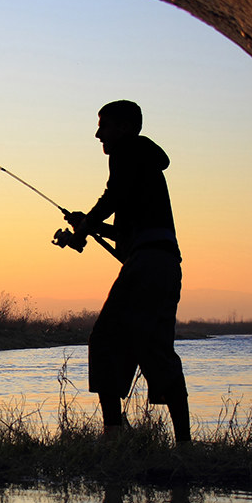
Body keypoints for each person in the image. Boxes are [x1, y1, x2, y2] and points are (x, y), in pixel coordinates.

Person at [62, 100, 191, 443]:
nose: (98, 133)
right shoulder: (146, 165)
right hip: (165, 264)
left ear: (122, 127)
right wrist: (89, 227)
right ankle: (185, 445)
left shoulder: (127, 150)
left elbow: (111, 197)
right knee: (155, 348)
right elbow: (129, 229)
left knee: (105, 338)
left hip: (147, 263)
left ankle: (113, 435)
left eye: (103, 125)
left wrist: (88, 222)